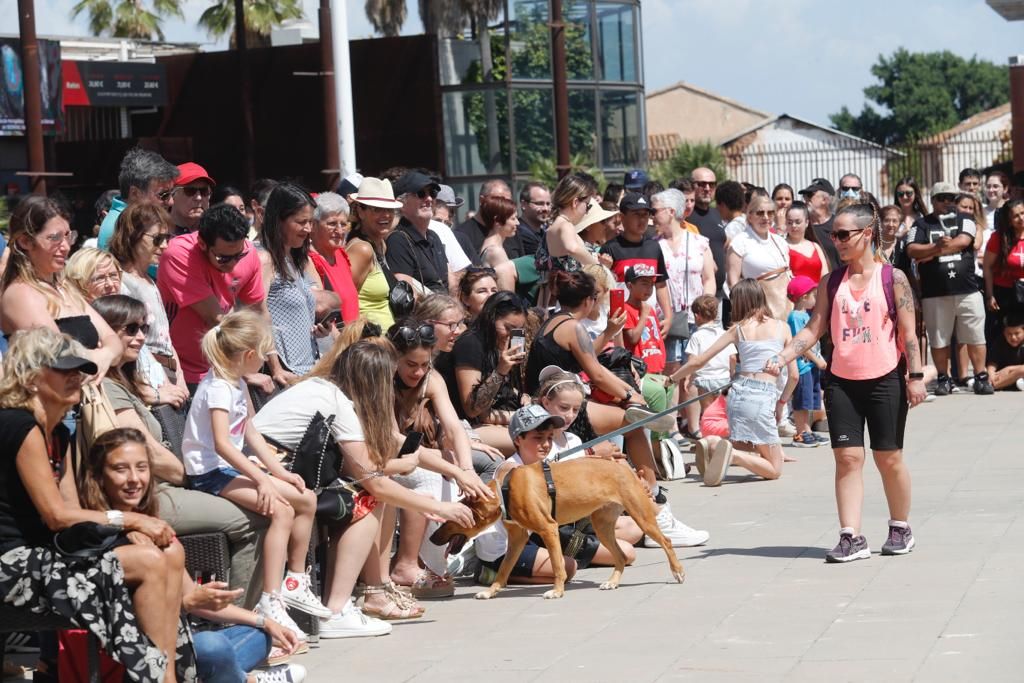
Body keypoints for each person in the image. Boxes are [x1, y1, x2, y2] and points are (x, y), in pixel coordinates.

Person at [0, 328, 183, 681]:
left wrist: (123, 535)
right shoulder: (18, 425)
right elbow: (57, 516)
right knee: (147, 560)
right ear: (31, 376)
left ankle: (166, 675)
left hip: (44, 556)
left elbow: (72, 515)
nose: (76, 377)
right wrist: (129, 521)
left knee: (169, 552)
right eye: (64, 369)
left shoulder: (57, 432)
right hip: (10, 563)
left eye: (79, 369)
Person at [262, 339, 475, 622]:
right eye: (387, 379)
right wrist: (440, 508)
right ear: (372, 380)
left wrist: (460, 471)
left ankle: (362, 594)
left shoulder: (328, 391)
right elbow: (374, 480)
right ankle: (339, 609)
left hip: (282, 476)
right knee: (366, 499)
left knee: (367, 495)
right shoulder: (340, 404)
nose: (390, 387)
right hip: (271, 479)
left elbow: (396, 448)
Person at [765, 203, 927, 563]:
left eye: (843, 234)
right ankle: (850, 535)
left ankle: (900, 526)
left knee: (889, 458)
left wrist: (915, 377)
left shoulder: (892, 278)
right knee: (848, 458)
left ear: (866, 233)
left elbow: (908, 333)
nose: (835, 241)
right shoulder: (831, 282)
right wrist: (782, 357)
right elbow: (812, 329)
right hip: (841, 381)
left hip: (885, 378)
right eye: (833, 235)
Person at [78, 428, 305, 683]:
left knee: (257, 634)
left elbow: (190, 597)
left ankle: (229, 676)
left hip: (180, 641)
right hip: (133, 657)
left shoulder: (156, 527)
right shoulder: (96, 533)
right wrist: (187, 605)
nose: (134, 479)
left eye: (141, 468)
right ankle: (246, 680)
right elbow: (117, 621)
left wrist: (264, 620)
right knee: (211, 647)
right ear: (98, 476)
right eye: (121, 469)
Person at [92, 294, 269, 610]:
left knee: (268, 502)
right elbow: (147, 452)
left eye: (143, 328)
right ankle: (240, 616)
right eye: (129, 329)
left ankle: (253, 612)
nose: (141, 337)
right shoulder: (107, 387)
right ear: (104, 334)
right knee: (254, 517)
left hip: (169, 485)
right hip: (151, 495)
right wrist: (196, 477)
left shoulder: (127, 381)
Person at [524, 271, 708, 547]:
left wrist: (610, 333)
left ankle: (651, 502)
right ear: (589, 300)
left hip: (557, 399)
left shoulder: (555, 321)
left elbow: (585, 358)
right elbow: (596, 373)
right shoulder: (573, 327)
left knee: (630, 423)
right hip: (561, 408)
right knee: (633, 423)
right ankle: (655, 506)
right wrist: (631, 394)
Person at [181, 310, 328, 649]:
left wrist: (279, 473)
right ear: (248, 355)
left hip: (230, 467)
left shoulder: (234, 383)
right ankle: (270, 598)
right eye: (263, 352)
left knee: (304, 498)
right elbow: (220, 442)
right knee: (282, 510)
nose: (265, 359)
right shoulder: (217, 386)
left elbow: (250, 432)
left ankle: (295, 581)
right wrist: (259, 480)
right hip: (210, 473)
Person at [386, 319, 492, 598]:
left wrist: (465, 468)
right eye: (411, 364)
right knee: (430, 477)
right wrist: (452, 468)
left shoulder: (431, 378)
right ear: (393, 357)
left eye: (425, 364)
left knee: (450, 475)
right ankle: (411, 566)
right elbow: (394, 442)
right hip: (383, 456)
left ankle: (430, 564)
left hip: (414, 454)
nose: (419, 371)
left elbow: (455, 427)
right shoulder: (380, 379)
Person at [670, 279, 798, 485]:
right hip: (762, 395)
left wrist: (672, 379)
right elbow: (794, 376)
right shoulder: (782, 327)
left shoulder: (737, 329)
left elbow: (700, 359)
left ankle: (714, 444)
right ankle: (732, 455)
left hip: (738, 393)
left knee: (754, 442)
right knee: (774, 469)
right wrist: (781, 403)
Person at [158, 203, 284, 393]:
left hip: (226, 365)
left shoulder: (248, 253)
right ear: (202, 244)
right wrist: (246, 372)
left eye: (238, 255)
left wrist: (276, 368)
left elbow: (259, 312)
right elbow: (214, 319)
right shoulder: (179, 254)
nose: (233, 264)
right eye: (224, 258)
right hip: (182, 370)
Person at [1, 195, 122, 377]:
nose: (65, 246)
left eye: (68, 235)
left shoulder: (64, 288)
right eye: (55, 238)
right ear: (25, 242)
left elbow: (114, 341)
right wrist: (101, 355)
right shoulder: (20, 294)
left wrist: (103, 355)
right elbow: (59, 354)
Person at [469, 405, 578, 587]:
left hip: (524, 538)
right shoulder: (510, 469)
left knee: (572, 561)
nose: (545, 444)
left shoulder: (536, 465)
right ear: (518, 439)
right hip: (500, 549)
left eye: (549, 438)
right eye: (538, 438)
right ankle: (491, 573)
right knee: (569, 567)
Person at [906, 182, 994, 395]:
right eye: (942, 198)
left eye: (951, 198)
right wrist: (935, 247)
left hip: (968, 290)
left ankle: (981, 376)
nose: (947, 202)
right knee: (938, 338)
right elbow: (911, 250)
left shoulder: (966, 219)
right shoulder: (921, 224)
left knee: (975, 336)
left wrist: (931, 253)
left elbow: (963, 242)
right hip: (935, 292)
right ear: (933, 200)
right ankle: (944, 378)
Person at [110, 200, 191, 401]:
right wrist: (156, 387)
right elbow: (132, 344)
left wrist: (179, 376)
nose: (164, 246)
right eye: (157, 239)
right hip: (148, 377)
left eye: (167, 238)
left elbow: (166, 337)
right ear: (133, 236)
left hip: (168, 372)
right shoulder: (122, 282)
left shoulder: (149, 279)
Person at [652, 188, 715, 374]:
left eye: (655, 211)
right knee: (668, 373)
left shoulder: (700, 242)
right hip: (664, 321)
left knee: (693, 375)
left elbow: (709, 278)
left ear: (670, 211)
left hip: (697, 318)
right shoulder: (653, 245)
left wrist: (706, 305)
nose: (651, 216)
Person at [601, 191, 674, 334]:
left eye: (645, 214)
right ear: (622, 217)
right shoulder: (610, 248)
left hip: (649, 321)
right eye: (636, 214)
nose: (642, 220)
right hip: (620, 324)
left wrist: (668, 315)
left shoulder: (653, 247)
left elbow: (660, 284)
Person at [536, 173, 601, 305]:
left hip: (559, 297)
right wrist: (598, 268)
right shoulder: (566, 225)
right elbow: (572, 248)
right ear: (575, 202)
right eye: (587, 206)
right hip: (572, 299)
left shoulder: (553, 228)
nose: (587, 211)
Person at [347, 177, 403, 329]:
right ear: (360, 211)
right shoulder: (362, 249)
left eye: (390, 209)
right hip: (370, 345)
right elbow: (345, 300)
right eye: (377, 209)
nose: (386, 215)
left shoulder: (380, 245)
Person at [97, 147, 179, 250]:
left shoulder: (127, 221)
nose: (171, 202)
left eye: (172, 193)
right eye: (163, 195)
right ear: (134, 193)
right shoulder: (123, 227)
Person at [727, 194, 792, 320]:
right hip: (756, 310)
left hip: (786, 308)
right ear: (749, 216)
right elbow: (732, 283)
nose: (766, 217)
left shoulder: (780, 242)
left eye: (770, 213)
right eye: (760, 213)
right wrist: (746, 312)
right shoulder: (739, 242)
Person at [387, 171, 451, 295]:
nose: (429, 199)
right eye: (421, 194)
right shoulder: (398, 240)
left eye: (432, 193)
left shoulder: (434, 237)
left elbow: (450, 281)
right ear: (401, 203)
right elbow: (406, 293)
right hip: (426, 312)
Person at [785, 276, 828, 447]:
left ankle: (807, 430)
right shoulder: (795, 316)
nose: (815, 299)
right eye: (813, 295)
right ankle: (800, 433)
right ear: (804, 297)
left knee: (810, 400)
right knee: (802, 401)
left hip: (810, 365)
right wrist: (817, 360)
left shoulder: (806, 315)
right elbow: (800, 344)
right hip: (803, 366)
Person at [309, 192, 359, 324]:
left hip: (354, 338)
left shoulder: (341, 254)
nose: (340, 231)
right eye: (332, 224)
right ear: (313, 225)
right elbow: (320, 311)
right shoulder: (309, 261)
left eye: (343, 224)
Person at [689, 168, 727, 311]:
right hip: (697, 298)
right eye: (702, 184)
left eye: (712, 184)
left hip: (718, 296)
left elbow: (722, 242)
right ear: (692, 186)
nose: (707, 188)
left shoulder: (716, 213)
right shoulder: (687, 216)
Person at [454, 179, 513, 256]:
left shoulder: (511, 230)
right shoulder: (463, 235)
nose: (504, 206)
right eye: (498, 201)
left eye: (508, 202)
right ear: (482, 200)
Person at [477, 195, 520, 291]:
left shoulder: (488, 245)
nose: (517, 223)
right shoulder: (496, 251)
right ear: (497, 221)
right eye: (513, 219)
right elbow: (507, 293)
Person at [799, 178, 840, 270]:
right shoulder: (804, 226)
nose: (806, 199)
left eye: (810, 195)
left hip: (838, 279)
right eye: (804, 196)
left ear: (825, 200)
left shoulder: (837, 224)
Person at [785, 201, 829, 284]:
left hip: (818, 295)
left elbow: (825, 277)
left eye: (798, 222)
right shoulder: (782, 247)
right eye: (790, 222)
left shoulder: (816, 246)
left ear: (807, 222)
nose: (794, 226)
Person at [169, 162, 215, 236]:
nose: (198, 198)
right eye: (190, 191)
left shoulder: (217, 235)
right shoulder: (157, 235)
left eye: (204, 191)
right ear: (172, 194)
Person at [986, 313, 1024, 390]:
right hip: (1006, 375)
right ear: (1004, 333)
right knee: (986, 372)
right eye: (1009, 334)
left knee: (1022, 370)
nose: (1013, 337)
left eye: (1017, 333)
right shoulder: (1000, 341)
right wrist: (991, 373)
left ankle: (992, 386)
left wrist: (1009, 368)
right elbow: (992, 362)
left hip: (1017, 372)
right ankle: (991, 382)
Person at [512, 181, 551, 257]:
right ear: (523, 204)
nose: (545, 208)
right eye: (539, 203)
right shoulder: (518, 233)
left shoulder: (544, 231)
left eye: (548, 204)